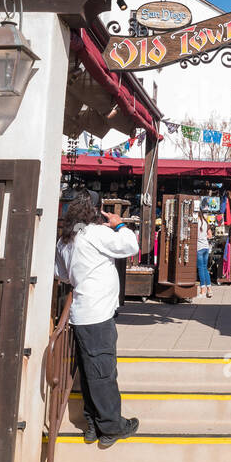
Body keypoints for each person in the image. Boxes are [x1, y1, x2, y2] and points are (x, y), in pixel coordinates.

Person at [54, 190, 140, 448]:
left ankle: (93, 424)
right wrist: (120, 224)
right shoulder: (95, 233)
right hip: (98, 313)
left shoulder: (66, 239)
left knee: (90, 371)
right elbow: (131, 246)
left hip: (81, 313)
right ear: (95, 210)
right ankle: (112, 426)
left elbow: (62, 274)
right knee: (103, 371)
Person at [192, 210, 212, 298]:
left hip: (199, 248)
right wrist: (204, 237)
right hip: (206, 247)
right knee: (205, 268)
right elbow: (210, 235)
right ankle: (209, 290)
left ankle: (203, 291)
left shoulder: (196, 222)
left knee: (200, 269)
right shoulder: (205, 221)